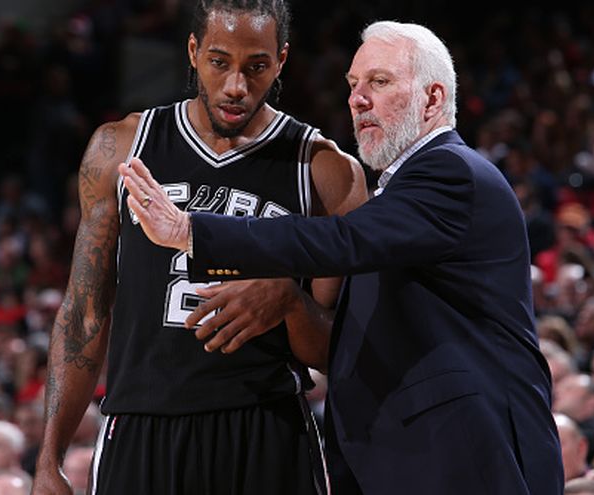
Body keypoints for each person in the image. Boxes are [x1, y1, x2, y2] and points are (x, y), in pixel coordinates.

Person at [121, 20, 564, 494]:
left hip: (465, 452)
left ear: (433, 98)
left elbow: (340, 240)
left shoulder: (451, 173)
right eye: (353, 84)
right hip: (409, 455)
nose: (357, 99)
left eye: (379, 81)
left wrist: (192, 231)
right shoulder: (400, 192)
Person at [32, 1, 366, 494]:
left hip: (266, 428)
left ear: (281, 60)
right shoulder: (121, 146)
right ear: (193, 52)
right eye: (219, 62)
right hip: (140, 426)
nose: (236, 86)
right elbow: (85, 312)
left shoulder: (326, 172)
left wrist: (291, 304)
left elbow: (344, 352)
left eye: (256, 66)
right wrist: (49, 459)